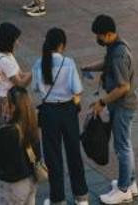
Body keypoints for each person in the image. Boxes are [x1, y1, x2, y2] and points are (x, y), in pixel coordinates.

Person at [85, 15, 138, 204]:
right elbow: (107, 64)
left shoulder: (118, 54)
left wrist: (102, 102)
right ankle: (130, 183)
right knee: (125, 144)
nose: (98, 39)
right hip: (124, 105)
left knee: (122, 147)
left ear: (108, 34)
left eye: (99, 36)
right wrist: (90, 66)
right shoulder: (116, 46)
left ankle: (123, 189)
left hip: (123, 106)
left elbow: (123, 86)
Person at [35, 27, 89, 205]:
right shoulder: (68, 63)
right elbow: (77, 90)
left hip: (48, 112)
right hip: (67, 111)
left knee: (53, 156)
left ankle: (58, 198)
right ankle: (81, 196)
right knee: (74, 152)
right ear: (61, 45)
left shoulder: (39, 63)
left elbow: (36, 89)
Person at [0, 85, 45, 205]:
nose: (3, 105)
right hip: (30, 180)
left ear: (12, 107)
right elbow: (37, 154)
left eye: (6, 102)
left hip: (12, 185)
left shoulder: (7, 132)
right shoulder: (31, 123)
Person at [0, 20, 28, 88]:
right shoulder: (5, 61)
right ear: (8, 41)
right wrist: (33, 73)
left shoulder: (5, 55)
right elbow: (20, 84)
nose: (18, 43)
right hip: (8, 96)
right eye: (15, 40)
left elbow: (20, 74)